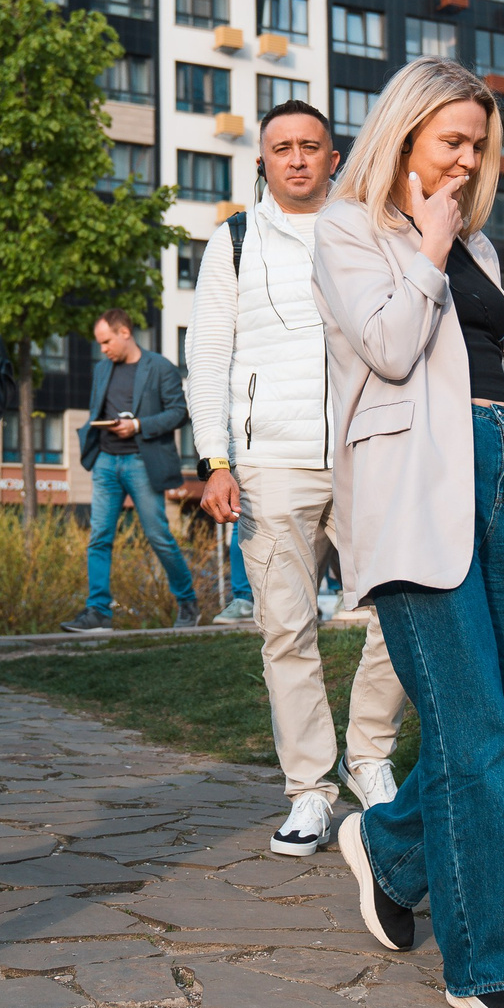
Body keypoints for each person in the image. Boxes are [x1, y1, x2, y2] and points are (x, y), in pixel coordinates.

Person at [313, 58, 504, 1008]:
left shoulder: (475, 245)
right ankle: (485, 962)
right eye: (452, 140)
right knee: (473, 729)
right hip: (411, 496)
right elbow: (393, 347)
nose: (468, 159)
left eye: (478, 144)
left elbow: (490, 366)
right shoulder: (349, 230)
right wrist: (430, 242)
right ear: (403, 135)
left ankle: (393, 846)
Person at [188, 99, 413, 856]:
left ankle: (371, 758)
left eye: (309, 146)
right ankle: (311, 794)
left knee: (404, 609)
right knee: (287, 632)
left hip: (367, 457)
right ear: (262, 160)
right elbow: (208, 357)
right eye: (280, 148)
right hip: (269, 465)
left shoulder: (371, 230)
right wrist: (214, 458)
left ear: (334, 156)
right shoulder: (237, 240)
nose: (295, 159)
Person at [61, 310, 200, 633]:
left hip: (142, 460)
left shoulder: (160, 367)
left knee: (158, 536)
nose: (103, 349)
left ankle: (188, 602)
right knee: (98, 538)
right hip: (106, 462)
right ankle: (97, 612)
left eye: (106, 341)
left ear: (124, 332)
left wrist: (137, 425)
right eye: (100, 343)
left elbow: (179, 413)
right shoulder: (101, 369)